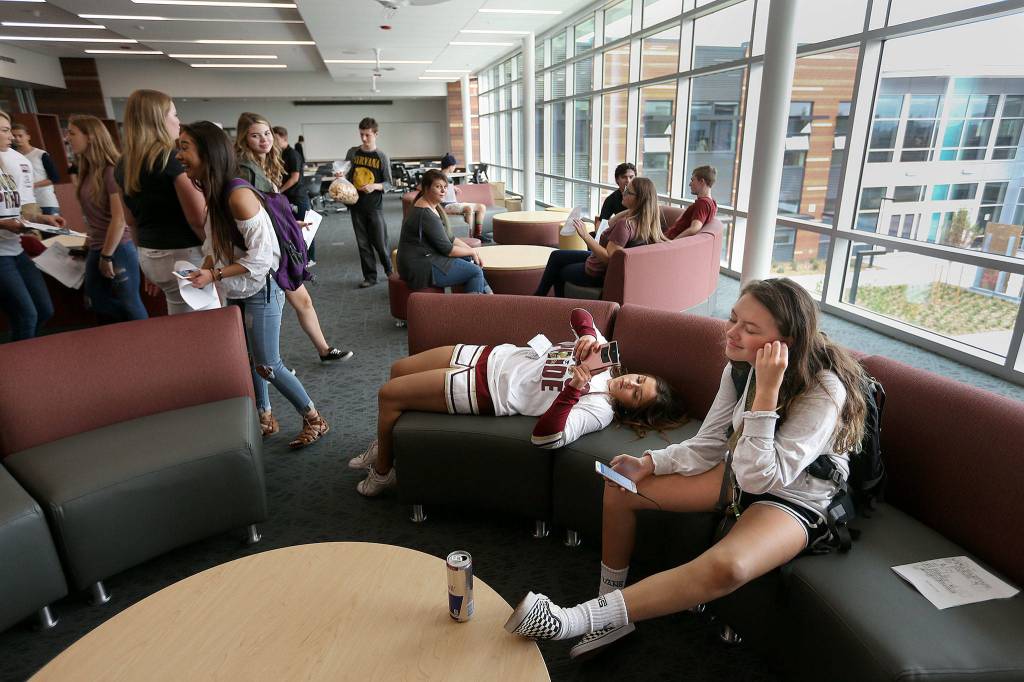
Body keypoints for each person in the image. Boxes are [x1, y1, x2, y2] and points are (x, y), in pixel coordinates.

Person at [505, 278, 868, 660]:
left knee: (729, 566)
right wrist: (648, 462)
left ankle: (570, 621)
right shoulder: (739, 368)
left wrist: (766, 393)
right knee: (621, 487)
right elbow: (710, 443)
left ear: (785, 343)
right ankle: (611, 613)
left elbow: (762, 479)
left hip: (794, 493)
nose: (731, 332)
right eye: (733, 319)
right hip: (742, 466)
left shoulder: (825, 390)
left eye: (750, 329)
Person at [351, 307, 687, 496]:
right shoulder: (605, 356)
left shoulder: (598, 409)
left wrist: (572, 390)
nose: (631, 383)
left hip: (486, 389)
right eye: (640, 379)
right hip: (490, 355)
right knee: (397, 370)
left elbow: (547, 438)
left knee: (388, 395)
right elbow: (579, 313)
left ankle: (384, 472)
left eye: (636, 393)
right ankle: (386, 445)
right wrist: (586, 334)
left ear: (631, 407)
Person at [178, 121, 330, 449]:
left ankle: (314, 418)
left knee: (267, 363)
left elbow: (263, 259)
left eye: (185, 147)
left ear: (207, 152)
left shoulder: (237, 196)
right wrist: (204, 269)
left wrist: (215, 275)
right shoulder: (213, 190)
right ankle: (265, 416)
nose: (179, 155)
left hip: (261, 286)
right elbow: (213, 244)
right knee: (251, 359)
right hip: (238, 287)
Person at [235, 112, 352, 363]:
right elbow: (255, 213)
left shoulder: (262, 165)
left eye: (267, 134)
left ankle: (322, 350)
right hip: (266, 248)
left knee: (300, 301)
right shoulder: (245, 170)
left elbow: (268, 210)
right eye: (255, 135)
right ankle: (269, 365)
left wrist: (289, 223)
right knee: (269, 310)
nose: (264, 140)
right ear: (244, 139)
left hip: (278, 241)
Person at [116, 89, 207, 315]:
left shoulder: (124, 164)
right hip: (185, 254)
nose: (179, 121)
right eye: (174, 114)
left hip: (150, 253)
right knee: (208, 319)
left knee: (179, 312)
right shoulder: (172, 159)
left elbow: (130, 220)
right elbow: (197, 218)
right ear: (158, 119)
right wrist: (218, 252)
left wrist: (146, 264)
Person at [67, 115, 148, 323]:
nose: (68, 138)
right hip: (97, 245)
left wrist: (107, 255)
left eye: (72, 133)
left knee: (130, 302)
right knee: (96, 300)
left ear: (91, 137)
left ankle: (147, 339)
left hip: (117, 247)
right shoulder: (87, 170)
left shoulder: (111, 171)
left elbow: (119, 218)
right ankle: (131, 333)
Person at [534, 177, 667, 298]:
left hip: (596, 270)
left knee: (559, 271)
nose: (623, 192)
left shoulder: (625, 225)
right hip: (597, 261)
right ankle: (539, 296)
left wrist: (585, 235)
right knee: (557, 255)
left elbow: (609, 259)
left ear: (638, 200)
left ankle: (552, 304)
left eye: (628, 191)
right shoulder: (645, 223)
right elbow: (609, 223)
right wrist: (633, 209)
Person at [0, 110, 67, 340]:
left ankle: (26, 355)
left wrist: (42, 219)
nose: (12, 137)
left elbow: (23, 209)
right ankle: (21, 364)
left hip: (15, 249)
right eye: (5, 131)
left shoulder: (16, 160)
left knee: (44, 310)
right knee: (26, 315)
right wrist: (4, 224)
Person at [398, 169, 491, 296]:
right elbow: (448, 250)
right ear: (426, 188)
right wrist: (473, 251)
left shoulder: (432, 207)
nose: (443, 191)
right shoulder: (425, 213)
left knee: (467, 258)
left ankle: (488, 297)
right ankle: (472, 311)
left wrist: (470, 251)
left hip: (426, 257)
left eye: (445, 187)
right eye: (438, 186)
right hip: (419, 266)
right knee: (475, 272)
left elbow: (450, 237)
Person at [345, 117, 393, 288]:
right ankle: (370, 277)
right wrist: (340, 177)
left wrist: (375, 186)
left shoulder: (381, 156)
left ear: (376, 134)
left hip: (374, 206)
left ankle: (389, 271)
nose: (364, 139)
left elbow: (389, 183)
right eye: (361, 135)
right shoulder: (353, 153)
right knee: (363, 244)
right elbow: (346, 176)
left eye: (367, 135)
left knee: (380, 242)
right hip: (355, 205)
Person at [11, 124, 61, 216]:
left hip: (46, 201)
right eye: (14, 136)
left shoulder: (41, 154)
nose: (17, 139)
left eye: (20, 135)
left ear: (28, 137)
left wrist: (32, 185)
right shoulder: (12, 157)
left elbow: (55, 178)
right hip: (25, 204)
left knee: (52, 229)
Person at [438, 153, 487, 240]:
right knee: (468, 208)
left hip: (453, 204)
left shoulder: (448, 177)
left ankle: (478, 234)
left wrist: (452, 187)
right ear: (450, 166)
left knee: (481, 207)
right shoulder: (438, 177)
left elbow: (446, 186)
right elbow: (421, 187)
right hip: (445, 205)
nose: (455, 167)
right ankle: (470, 236)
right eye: (454, 165)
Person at [664, 165, 718, 240]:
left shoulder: (702, 203)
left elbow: (694, 228)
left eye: (693, 180)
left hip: (667, 240)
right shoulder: (712, 203)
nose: (690, 184)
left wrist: (672, 243)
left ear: (702, 181)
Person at [593, 162, 635, 235]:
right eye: (624, 177)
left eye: (631, 177)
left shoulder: (642, 195)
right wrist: (599, 236)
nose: (628, 181)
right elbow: (602, 221)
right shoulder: (612, 199)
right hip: (624, 231)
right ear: (617, 180)